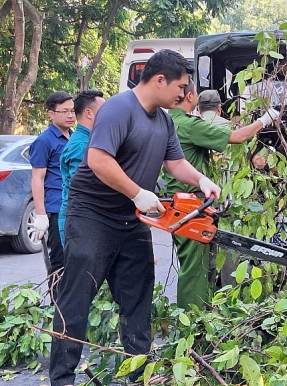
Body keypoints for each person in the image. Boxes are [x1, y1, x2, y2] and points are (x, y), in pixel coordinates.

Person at [50, 49, 222, 386]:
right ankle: (61, 378)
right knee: (76, 300)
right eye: (181, 86)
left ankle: (137, 374)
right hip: (92, 217)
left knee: (138, 300)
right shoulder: (118, 108)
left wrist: (200, 179)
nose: (184, 94)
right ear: (160, 79)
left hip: (132, 221)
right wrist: (138, 193)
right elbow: (99, 160)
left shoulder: (164, 120)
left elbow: (175, 163)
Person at [165, 81, 278, 310]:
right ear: (189, 97)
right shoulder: (190, 125)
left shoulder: (168, 121)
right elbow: (238, 138)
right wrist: (264, 120)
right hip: (194, 203)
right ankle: (193, 322)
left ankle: (200, 317)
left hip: (185, 201)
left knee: (197, 263)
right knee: (197, 267)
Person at [29, 91, 74, 295]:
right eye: (64, 111)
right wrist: (40, 214)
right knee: (59, 262)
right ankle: (58, 311)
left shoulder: (74, 137)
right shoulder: (45, 141)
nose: (70, 115)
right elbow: (37, 178)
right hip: (56, 209)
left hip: (74, 206)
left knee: (75, 261)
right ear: (50, 114)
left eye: (72, 110)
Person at [58, 89, 106, 244]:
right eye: (103, 111)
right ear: (89, 113)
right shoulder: (81, 145)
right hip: (79, 220)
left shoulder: (89, 140)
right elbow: (84, 186)